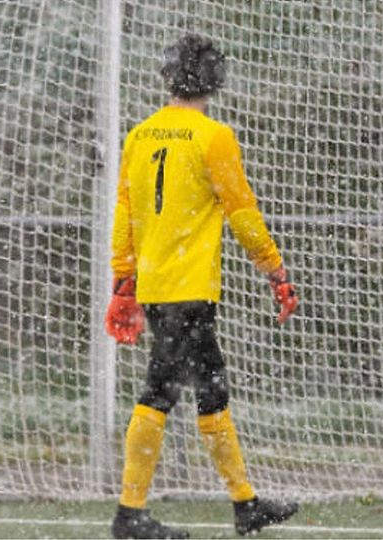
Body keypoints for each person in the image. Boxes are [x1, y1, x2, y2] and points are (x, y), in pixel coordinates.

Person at [104, 33, 300, 539]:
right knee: (159, 393)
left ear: (167, 76)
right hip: (188, 289)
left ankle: (245, 503)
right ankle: (129, 514)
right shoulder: (213, 137)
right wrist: (275, 270)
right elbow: (242, 214)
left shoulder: (139, 136)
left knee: (212, 391)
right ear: (215, 79)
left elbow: (124, 214)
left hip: (156, 285)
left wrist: (124, 281)